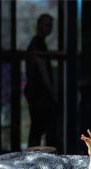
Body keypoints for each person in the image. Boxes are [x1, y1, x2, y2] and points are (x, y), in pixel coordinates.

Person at [24, 13, 58, 148]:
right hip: (38, 94)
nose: (49, 29)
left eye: (51, 26)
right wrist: (52, 91)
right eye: (47, 25)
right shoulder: (36, 44)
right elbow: (42, 69)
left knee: (40, 128)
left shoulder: (40, 44)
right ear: (39, 26)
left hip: (39, 93)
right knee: (39, 129)